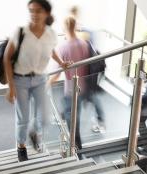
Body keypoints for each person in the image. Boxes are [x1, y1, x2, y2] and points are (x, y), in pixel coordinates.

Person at [4, 0, 68, 162]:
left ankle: (34, 133)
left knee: (45, 117)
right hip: (20, 80)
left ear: (46, 13)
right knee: (23, 118)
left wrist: (61, 62)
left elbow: (51, 49)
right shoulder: (20, 32)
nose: (34, 14)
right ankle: (21, 146)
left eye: (38, 11)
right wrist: (11, 87)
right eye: (31, 11)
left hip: (40, 79)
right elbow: (7, 57)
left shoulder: (51, 34)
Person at [50, 16, 90, 157]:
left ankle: (76, 147)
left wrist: (46, 84)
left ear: (64, 28)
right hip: (83, 86)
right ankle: (75, 144)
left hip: (70, 89)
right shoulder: (84, 44)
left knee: (72, 120)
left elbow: (56, 74)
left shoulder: (62, 47)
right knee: (73, 114)